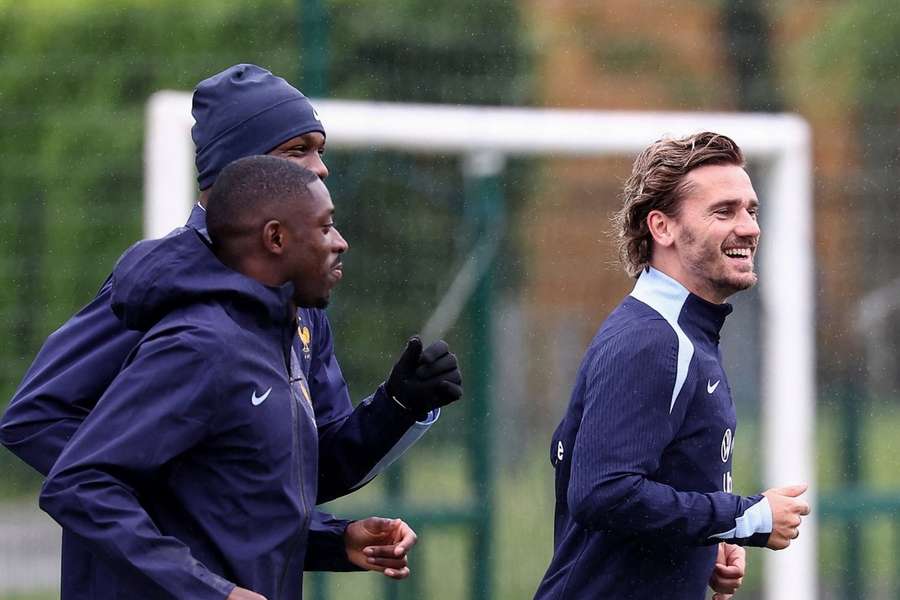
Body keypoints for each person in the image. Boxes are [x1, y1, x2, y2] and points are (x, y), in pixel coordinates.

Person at [0, 64, 462, 597]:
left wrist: (397, 409)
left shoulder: (298, 300)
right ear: (244, 174)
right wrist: (169, 511)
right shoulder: (170, 291)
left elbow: (292, 467)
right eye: (298, 151)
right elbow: (38, 421)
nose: (321, 168)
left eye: (321, 149)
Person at [41, 156, 418, 600]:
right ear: (275, 237)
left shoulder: (279, 342)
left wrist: (338, 541)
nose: (341, 242)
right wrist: (209, 592)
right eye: (324, 227)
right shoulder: (202, 346)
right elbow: (78, 484)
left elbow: (226, 507)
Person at [533, 132, 811, 600]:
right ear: (662, 228)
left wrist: (700, 544)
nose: (749, 227)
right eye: (724, 211)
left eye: (751, 210)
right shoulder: (652, 341)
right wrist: (746, 517)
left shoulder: (685, 334)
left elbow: (637, 486)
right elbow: (603, 492)